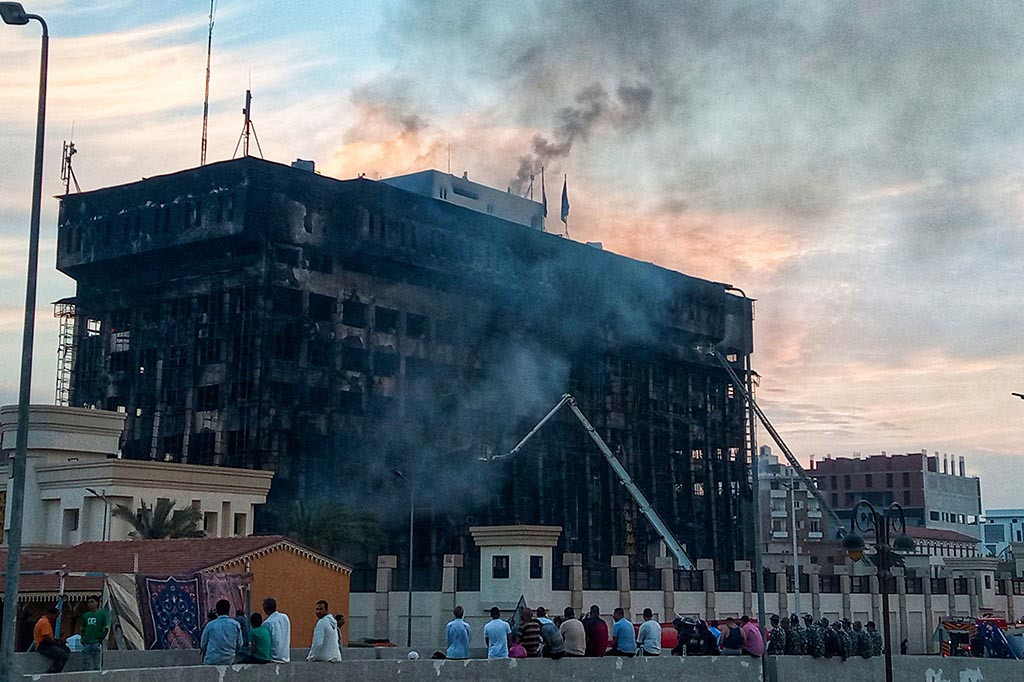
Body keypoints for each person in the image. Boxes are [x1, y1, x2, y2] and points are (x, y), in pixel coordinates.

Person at [200, 599, 243, 665]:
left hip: (211, 660)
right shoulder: (236, 624)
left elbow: (203, 645)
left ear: (217, 610)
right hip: (229, 661)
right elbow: (239, 644)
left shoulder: (210, 625)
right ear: (229, 609)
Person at [34, 607, 70, 674]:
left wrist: (59, 641)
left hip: (45, 644)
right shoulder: (44, 623)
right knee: (63, 655)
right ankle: (54, 670)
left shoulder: (45, 622)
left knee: (66, 650)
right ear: (52, 614)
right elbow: (46, 639)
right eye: (56, 616)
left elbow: (49, 637)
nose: (56, 619)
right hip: (43, 646)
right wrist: (58, 643)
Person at [80, 595, 110, 671]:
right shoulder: (85, 615)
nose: (90, 604)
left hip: (96, 642)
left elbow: (106, 628)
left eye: (92, 602)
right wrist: (82, 638)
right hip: (87, 642)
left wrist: (101, 639)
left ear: (97, 603)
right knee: (85, 664)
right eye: (89, 602)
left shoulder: (102, 614)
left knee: (97, 664)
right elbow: (82, 628)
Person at [262, 597, 292, 663]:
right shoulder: (285, 617)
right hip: (285, 657)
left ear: (265, 608)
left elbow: (266, 642)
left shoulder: (267, 623)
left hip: (274, 658)